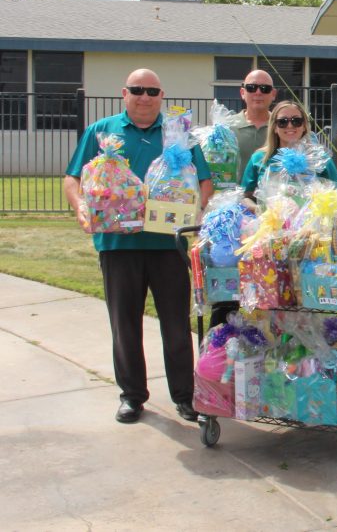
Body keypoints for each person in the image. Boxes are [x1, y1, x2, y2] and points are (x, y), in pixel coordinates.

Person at [63, 68, 214, 424]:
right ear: (124, 93)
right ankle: (132, 396)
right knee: (125, 324)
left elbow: (204, 182)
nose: (144, 96)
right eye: (137, 90)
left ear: (161, 95)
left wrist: (195, 206)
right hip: (118, 245)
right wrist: (81, 205)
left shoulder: (179, 134)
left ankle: (184, 396)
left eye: (152, 91)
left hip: (168, 244)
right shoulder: (101, 132)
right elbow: (73, 178)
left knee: (176, 324)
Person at [240, 100, 337, 203]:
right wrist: (259, 210)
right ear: (274, 127)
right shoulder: (259, 158)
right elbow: (245, 196)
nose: (290, 125)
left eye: (296, 121)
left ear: (304, 126)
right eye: (283, 122)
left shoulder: (320, 159)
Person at [231, 69, 277, 182]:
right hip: (233, 198)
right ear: (242, 93)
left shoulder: (283, 127)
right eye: (251, 87)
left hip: (274, 198)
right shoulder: (227, 127)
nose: (258, 92)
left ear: (273, 94)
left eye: (265, 89)